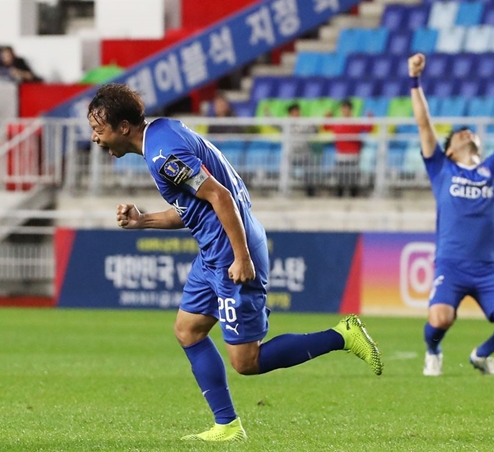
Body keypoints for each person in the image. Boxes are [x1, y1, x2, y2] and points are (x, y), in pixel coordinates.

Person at [87, 83, 383, 442]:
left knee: (247, 361)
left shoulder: (163, 156)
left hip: (230, 252)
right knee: (188, 330)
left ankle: (342, 336)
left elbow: (220, 196)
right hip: (214, 252)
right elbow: (194, 209)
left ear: (123, 127)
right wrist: (142, 220)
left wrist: (241, 257)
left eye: (98, 130)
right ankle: (226, 425)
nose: (95, 139)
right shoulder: (163, 133)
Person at [407, 53, 494, 377]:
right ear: (449, 149)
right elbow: (423, 123)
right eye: (458, 133)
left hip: (488, 267)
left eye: (469, 132)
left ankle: (482, 354)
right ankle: (433, 351)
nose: (465, 133)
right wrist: (415, 80)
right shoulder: (441, 168)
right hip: (451, 264)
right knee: (440, 319)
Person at [264, 102, 319, 196]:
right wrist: (268, 114)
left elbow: (314, 130)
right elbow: (275, 124)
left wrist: (314, 127)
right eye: (293, 111)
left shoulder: (305, 122)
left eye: (297, 111)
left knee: (309, 170)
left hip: (304, 152)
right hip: (290, 153)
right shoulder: (286, 122)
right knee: (286, 170)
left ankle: (310, 191)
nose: (296, 113)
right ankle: (284, 190)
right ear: (290, 113)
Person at [323, 99, 373, 197]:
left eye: (347, 108)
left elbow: (369, 128)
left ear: (351, 110)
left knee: (353, 177)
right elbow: (325, 126)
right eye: (343, 108)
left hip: (353, 155)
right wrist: (328, 116)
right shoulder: (337, 123)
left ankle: (353, 196)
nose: (345, 110)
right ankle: (340, 196)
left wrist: (370, 117)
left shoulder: (355, 122)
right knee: (341, 177)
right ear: (341, 109)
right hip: (341, 155)